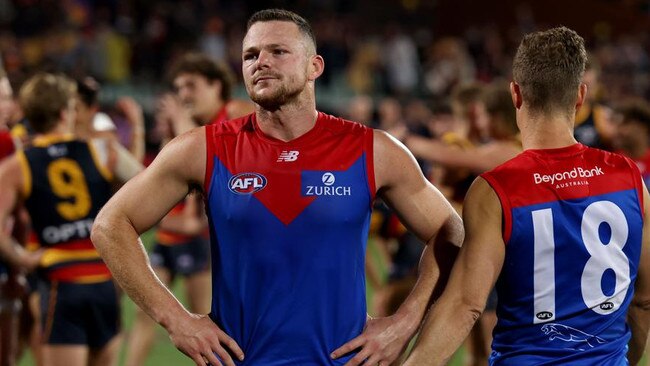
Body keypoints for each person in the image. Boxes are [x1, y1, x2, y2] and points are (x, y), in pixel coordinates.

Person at [92, 9, 463, 366]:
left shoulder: (373, 150)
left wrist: (406, 321)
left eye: (278, 51)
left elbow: (451, 231)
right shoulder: (202, 149)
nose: (260, 62)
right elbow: (111, 225)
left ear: (314, 66)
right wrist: (176, 320)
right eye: (250, 55)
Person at [404, 26, 650, 365]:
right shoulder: (630, 178)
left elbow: (466, 304)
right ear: (580, 96)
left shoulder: (496, 188)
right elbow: (644, 301)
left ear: (516, 94)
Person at [0, 72, 143, 366]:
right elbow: (149, 186)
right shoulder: (102, 150)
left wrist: (22, 258)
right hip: (103, 280)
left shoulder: (19, 165)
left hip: (60, 284)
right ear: (66, 112)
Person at [124, 52, 256, 366]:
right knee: (151, 317)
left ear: (216, 85)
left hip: (214, 244)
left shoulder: (237, 111)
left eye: (191, 85)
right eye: (179, 87)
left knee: (214, 324)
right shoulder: (197, 129)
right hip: (184, 241)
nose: (183, 94)